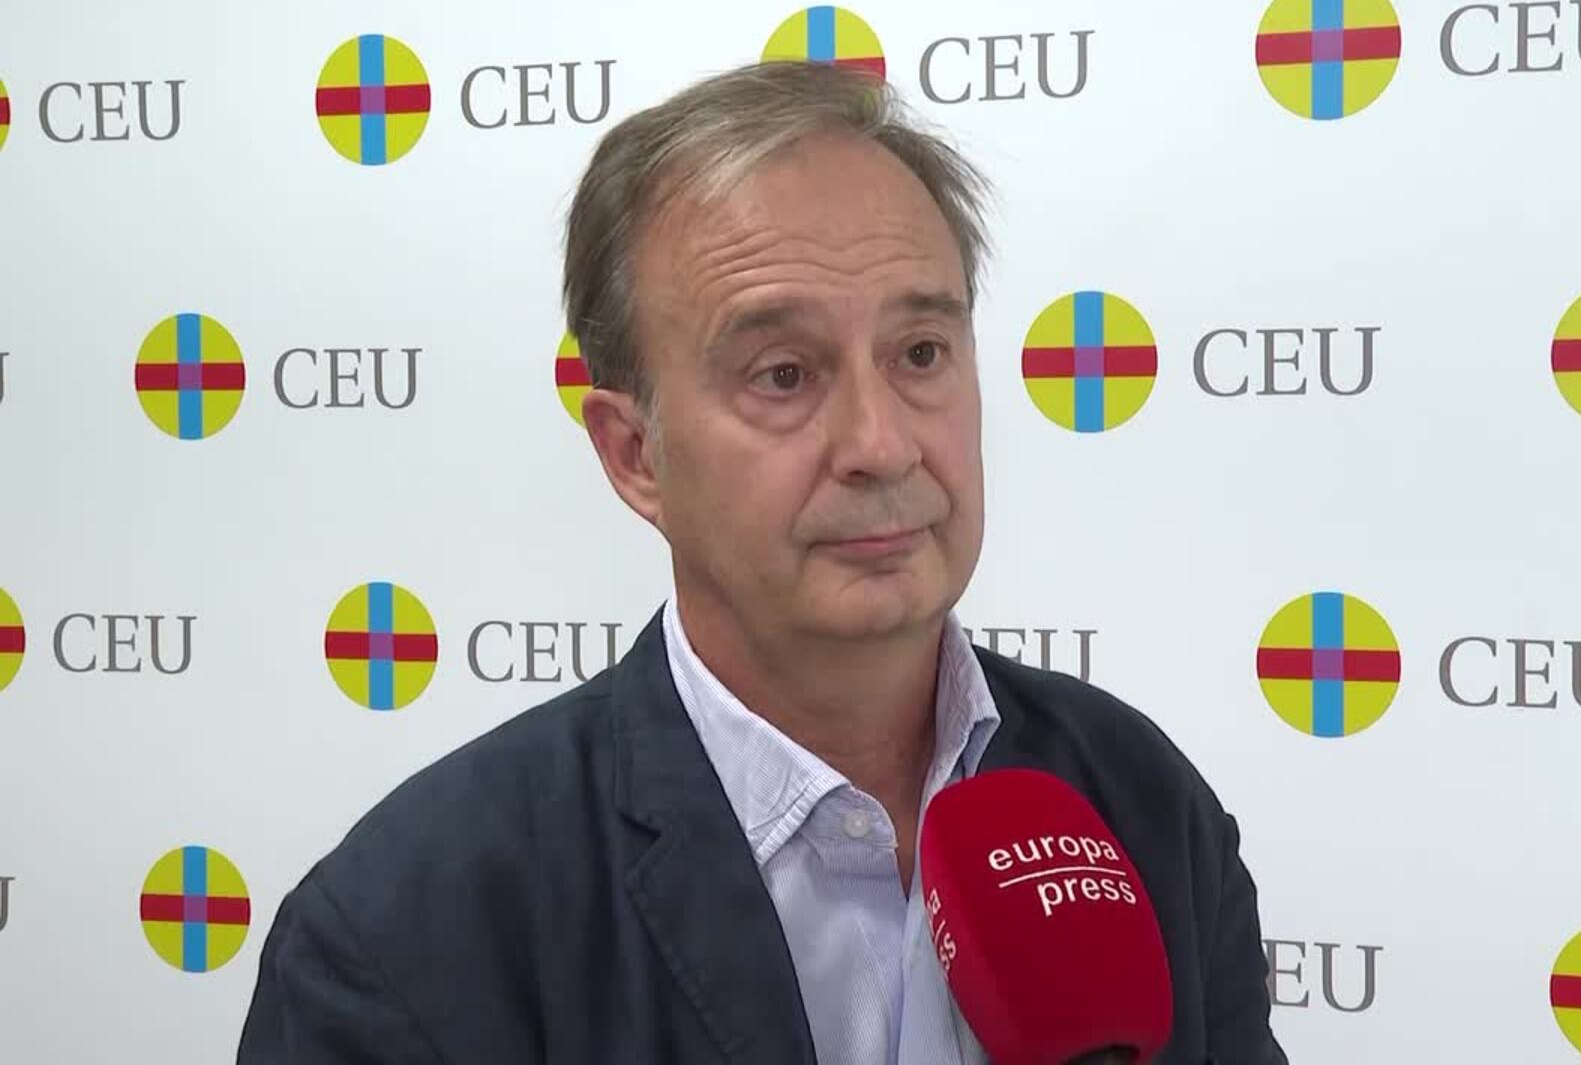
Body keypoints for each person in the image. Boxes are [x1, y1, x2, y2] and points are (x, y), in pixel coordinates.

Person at [238, 60, 1287, 1064]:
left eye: (921, 354)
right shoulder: (407, 930)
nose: (882, 443)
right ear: (635, 454)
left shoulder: (1140, 800)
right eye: (783, 374)